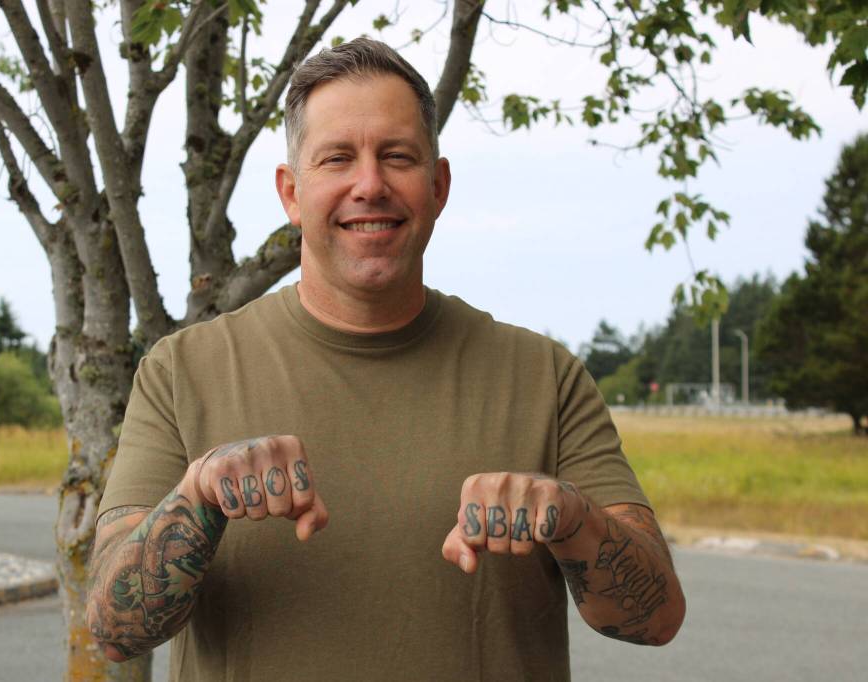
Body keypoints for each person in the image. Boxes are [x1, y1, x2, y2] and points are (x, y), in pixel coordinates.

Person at [87, 38, 685, 681]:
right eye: (337, 158)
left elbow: (655, 619)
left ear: (438, 185)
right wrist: (199, 497)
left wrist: (572, 519)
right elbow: (115, 631)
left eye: (396, 157)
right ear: (291, 192)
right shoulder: (183, 371)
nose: (369, 185)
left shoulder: (545, 378)